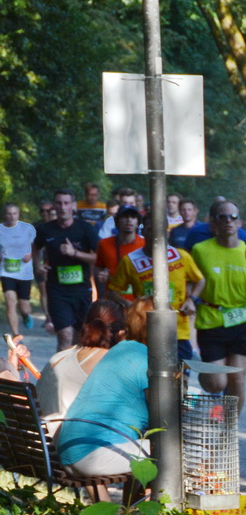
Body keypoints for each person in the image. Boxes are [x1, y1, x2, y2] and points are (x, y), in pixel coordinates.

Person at [52, 301, 152, 478]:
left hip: (68, 452)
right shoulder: (142, 355)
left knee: (152, 445)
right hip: (94, 455)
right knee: (175, 450)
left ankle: (135, 504)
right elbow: (163, 411)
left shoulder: (116, 352)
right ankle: (161, 504)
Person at [190, 200, 246, 405]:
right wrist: (189, 301)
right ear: (213, 223)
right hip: (211, 320)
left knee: (236, 377)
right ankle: (204, 372)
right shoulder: (200, 250)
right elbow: (191, 281)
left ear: (240, 223)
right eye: (223, 217)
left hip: (240, 320)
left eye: (233, 217)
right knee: (217, 383)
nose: (228, 221)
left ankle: (231, 430)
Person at [110, 221, 205, 362]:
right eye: (150, 229)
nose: (156, 234)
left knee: (180, 378)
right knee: (151, 379)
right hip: (145, 331)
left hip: (177, 330)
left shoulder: (181, 256)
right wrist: (130, 305)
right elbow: (112, 291)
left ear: (167, 233)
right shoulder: (130, 261)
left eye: (160, 229)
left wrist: (192, 299)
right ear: (143, 232)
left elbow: (200, 280)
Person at [36, 299, 127, 437]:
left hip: (39, 442)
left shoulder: (60, 356)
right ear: (121, 334)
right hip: (64, 449)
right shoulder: (109, 361)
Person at [34, 190, 101, 352]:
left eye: (66, 203)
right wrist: (38, 265)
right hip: (57, 290)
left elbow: (99, 257)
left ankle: (77, 373)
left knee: (81, 335)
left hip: (81, 290)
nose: (63, 207)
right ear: (54, 207)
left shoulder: (85, 229)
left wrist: (75, 253)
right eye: (59, 203)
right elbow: (35, 247)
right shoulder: (45, 229)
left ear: (73, 206)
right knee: (64, 335)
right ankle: (60, 376)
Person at [0, 203, 37, 336]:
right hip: (6, 271)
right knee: (10, 301)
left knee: (24, 307)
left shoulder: (27, 228)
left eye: (14, 213)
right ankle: (16, 335)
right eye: (9, 213)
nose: (11, 216)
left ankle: (26, 315)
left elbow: (35, 247)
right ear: (4, 215)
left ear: (18, 214)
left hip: (24, 273)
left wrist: (30, 255)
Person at [95, 205, 146, 299]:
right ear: (117, 221)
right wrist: (101, 276)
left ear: (138, 221)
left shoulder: (145, 244)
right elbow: (98, 267)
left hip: (138, 302)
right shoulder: (104, 244)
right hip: (112, 300)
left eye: (133, 217)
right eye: (125, 216)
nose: (129, 220)